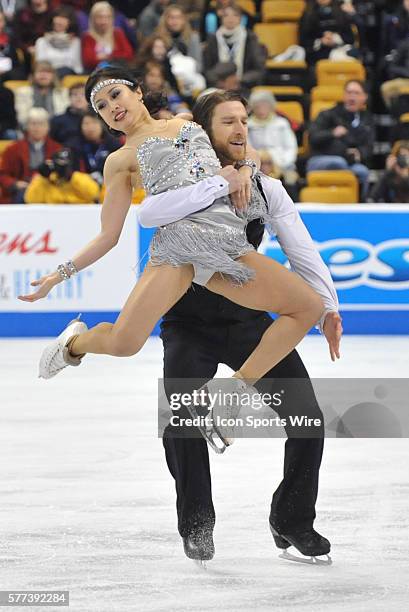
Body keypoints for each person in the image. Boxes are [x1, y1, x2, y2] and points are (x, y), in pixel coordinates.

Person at [18, 66, 324, 456]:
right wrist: (58, 275)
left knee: (308, 306)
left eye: (115, 95)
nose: (111, 107)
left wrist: (245, 169)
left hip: (227, 246)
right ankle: (74, 343)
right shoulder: (120, 160)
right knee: (125, 342)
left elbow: (243, 147)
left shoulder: (188, 122)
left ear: (138, 92)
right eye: (100, 105)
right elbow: (109, 235)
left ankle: (232, 391)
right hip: (178, 252)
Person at [137, 89, 340, 563]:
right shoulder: (181, 188)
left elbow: (300, 249)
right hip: (187, 319)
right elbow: (146, 215)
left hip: (247, 321)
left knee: (307, 419)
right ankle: (197, 523)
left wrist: (328, 307)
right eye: (228, 121)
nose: (240, 129)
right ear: (205, 133)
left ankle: (291, 519)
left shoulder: (266, 188)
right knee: (182, 420)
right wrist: (219, 182)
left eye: (243, 120)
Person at [307, 79, 374, 201]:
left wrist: (359, 153)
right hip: (321, 158)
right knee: (338, 162)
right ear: (344, 95)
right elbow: (313, 138)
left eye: (356, 93)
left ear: (364, 97)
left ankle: (360, 205)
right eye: (349, 92)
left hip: (350, 162)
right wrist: (332, 133)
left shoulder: (367, 120)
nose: (352, 97)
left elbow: (369, 146)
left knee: (362, 171)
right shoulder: (327, 114)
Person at [0, 107, 60, 203]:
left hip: (48, 190)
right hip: (21, 190)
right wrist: (15, 183)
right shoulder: (12, 149)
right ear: (27, 126)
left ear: (48, 127)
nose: (37, 128)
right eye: (33, 124)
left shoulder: (57, 149)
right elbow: (2, 174)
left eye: (41, 124)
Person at [203, 4, 265, 89]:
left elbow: (259, 70)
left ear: (240, 18)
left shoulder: (250, 38)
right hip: (218, 86)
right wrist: (220, 82)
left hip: (244, 85)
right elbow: (207, 70)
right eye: (226, 15)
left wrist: (240, 80)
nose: (230, 18)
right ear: (221, 19)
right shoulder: (213, 39)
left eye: (235, 15)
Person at [248, 90, 298, 187]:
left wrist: (282, 162)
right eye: (258, 106)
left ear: (271, 106)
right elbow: (247, 147)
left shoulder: (281, 123)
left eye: (265, 106)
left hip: (281, 161)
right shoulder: (248, 125)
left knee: (290, 181)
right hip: (257, 162)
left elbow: (291, 147)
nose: (261, 110)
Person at [24, 148, 100, 204]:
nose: (62, 167)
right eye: (59, 164)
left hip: (80, 219)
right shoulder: (47, 180)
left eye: (66, 164)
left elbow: (94, 194)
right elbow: (30, 199)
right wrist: (43, 176)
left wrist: (71, 177)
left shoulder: (80, 178)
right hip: (53, 219)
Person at [81, 1, 134, 72]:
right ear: (93, 19)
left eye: (107, 17)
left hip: (118, 72)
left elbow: (128, 55)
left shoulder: (118, 33)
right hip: (95, 74)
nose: (103, 21)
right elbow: (88, 61)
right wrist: (116, 55)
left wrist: (106, 56)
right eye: (100, 17)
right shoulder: (87, 36)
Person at [299, 0, 356, 65]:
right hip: (317, 52)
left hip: (339, 48)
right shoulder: (308, 14)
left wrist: (335, 38)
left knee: (353, 54)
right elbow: (303, 41)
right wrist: (321, 41)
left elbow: (350, 38)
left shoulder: (340, 11)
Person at [14, 61, 69, 127]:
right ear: (33, 75)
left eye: (48, 72)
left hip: (56, 129)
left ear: (53, 76)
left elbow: (64, 117)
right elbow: (21, 118)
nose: (43, 75)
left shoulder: (63, 92)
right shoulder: (23, 92)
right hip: (30, 128)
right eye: (40, 72)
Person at [72, 111, 121, 185]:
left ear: (102, 124)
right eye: (86, 124)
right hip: (86, 186)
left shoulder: (113, 143)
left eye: (94, 122)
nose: (90, 127)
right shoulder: (75, 146)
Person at [34, 6, 83, 77]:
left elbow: (78, 67)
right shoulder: (41, 41)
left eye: (64, 18)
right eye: (57, 17)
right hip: (49, 77)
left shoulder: (76, 42)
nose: (60, 21)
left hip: (69, 77)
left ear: (70, 22)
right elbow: (41, 65)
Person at [50, 82, 88, 146]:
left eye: (82, 94)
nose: (78, 98)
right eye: (75, 94)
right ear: (69, 98)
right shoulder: (57, 120)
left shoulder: (97, 119)